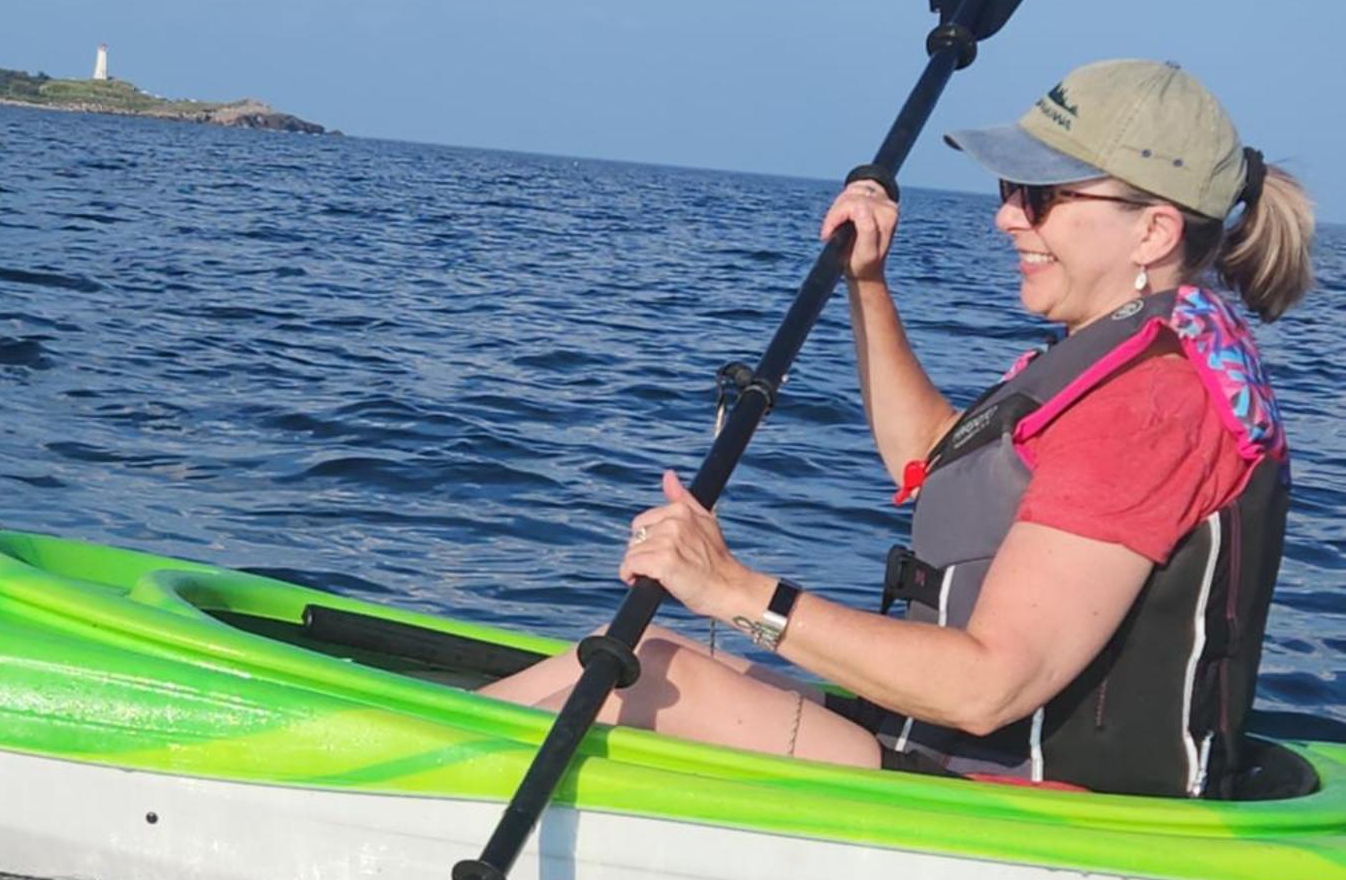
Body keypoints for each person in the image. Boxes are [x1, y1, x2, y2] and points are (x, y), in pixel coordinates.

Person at [483, 60, 1317, 798]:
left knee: (656, 679)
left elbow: (991, 685)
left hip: (1033, 804)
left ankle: (391, 793)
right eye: (1008, 191)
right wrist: (867, 283)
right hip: (956, 754)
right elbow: (935, 462)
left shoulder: (1150, 404)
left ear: (1155, 229)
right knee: (626, 646)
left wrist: (736, 591)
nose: (1007, 219)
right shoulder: (1119, 351)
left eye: (1042, 197)